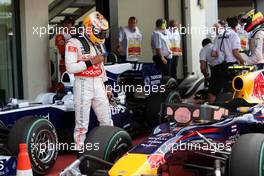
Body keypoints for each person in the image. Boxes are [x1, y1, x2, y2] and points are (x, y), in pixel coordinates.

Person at [65, 11, 113, 150]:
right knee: (81, 126)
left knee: (106, 121)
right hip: (82, 84)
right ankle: (80, 160)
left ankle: (107, 151)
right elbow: (70, 68)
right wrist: (91, 62)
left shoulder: (99, 44)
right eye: (100, 32)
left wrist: (107, 86)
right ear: (89, 28)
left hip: (98, 83)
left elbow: (101, 66)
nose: (102, 36)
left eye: (104, 33)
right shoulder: (73, 42)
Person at [211, 16, 245, 103]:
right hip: (230, 67)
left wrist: (222, 53)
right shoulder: (234, 35)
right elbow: (235, 52)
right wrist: (242, 61)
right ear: (236, 26)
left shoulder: (219, 35)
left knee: (213, 90)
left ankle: (211, 111)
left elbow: (213, 54)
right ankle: (229, 111)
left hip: (218, 66)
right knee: (234, 89)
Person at [199, 38, 225, 104]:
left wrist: (206, 76)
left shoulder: (203, 50)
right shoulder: (216, 46)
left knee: (212, 91)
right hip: (227, 65)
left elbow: (203, 67)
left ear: (203, 45)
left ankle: (211, 108)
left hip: (218, 68)